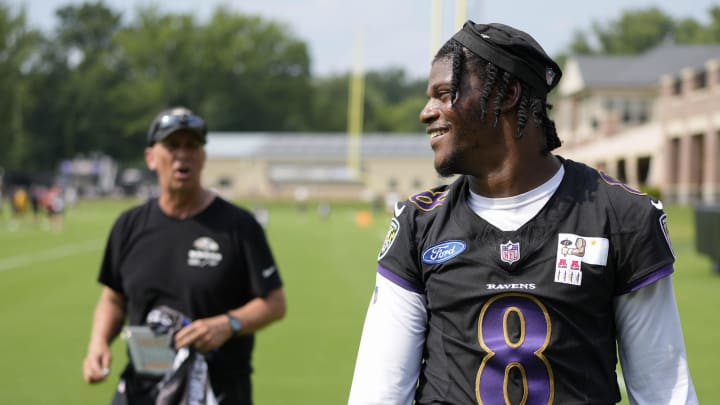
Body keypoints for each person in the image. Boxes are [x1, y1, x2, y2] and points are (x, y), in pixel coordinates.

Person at [348, 21, 697, 405]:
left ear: (508, 93)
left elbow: (665, 389)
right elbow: (378, 392)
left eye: (444, 93)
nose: (426, 113)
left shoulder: (620, 215)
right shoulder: (419, 224)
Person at [82, 106, 287, 405]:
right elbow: (113, 299)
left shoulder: (239, 227)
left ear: (203, 157)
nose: (183, 154)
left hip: (216, 391)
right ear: (151, 157)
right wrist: (98, 342)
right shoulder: (128, 226)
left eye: (192, 145)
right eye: (172, 145)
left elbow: (275, 303)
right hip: (143, 389)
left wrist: (228, 324)